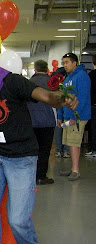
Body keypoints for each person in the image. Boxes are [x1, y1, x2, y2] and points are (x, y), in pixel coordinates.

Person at [0, 39, 79, 244]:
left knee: (18, 220)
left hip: (21, 157)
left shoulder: (10, 81)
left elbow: (44, 95)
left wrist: (61, 99)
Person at [58, 53, 91, 181]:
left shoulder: (82, 76)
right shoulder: (68, 78)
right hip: (68, 115)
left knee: (74, 143)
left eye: (67, 62)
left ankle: (76, 170)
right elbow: (62, 98)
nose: (65, 65)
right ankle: (73, 168)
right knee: (69, 143)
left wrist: (75, 117)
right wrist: (61, 116)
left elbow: (82, 98)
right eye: (63, 63)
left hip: (77, 117)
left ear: (74, 63)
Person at [27, 60, 56, 185]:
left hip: (31, 121)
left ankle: (30, 176)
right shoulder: (52, 83)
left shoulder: (29, 83)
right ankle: (41, 176)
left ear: (35, 70)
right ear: (47, 69)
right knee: (44, 150)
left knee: (31, 150)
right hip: (47, 121)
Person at [52, 67, 71, 158]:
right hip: (68, 111)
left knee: (59, 129)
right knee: (66, 130)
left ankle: (59, 150)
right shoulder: (69, 84)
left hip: (60, 109)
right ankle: (66, 151)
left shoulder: (57, 84)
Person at [85, 55, 96, 157]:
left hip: (93, 105)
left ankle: (94, 149)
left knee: (93, 128)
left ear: (93, 63)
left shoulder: (91, 75)